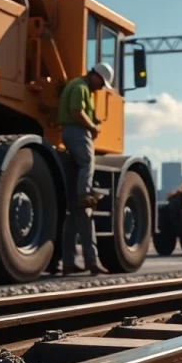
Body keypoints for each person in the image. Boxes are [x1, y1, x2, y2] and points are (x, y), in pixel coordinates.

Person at [57, 63, 114, 275]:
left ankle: (69, 262)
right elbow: (76, 111)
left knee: (74, 217)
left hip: (70, 131)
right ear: (96, 75)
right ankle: (84, 194)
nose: (101, 87)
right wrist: (92, 126)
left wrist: (92, 120)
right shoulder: (80, 87)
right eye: (102, 82)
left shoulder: (80, 87)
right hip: (76, 132)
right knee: (88, 161)